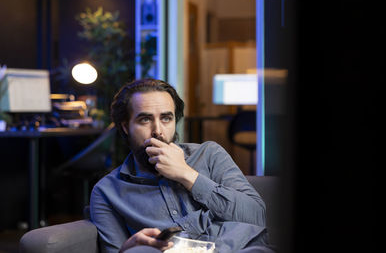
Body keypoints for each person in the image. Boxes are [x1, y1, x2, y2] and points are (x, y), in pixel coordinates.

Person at [90, 78, 274, 253]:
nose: (158, 131)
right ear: (125, 126)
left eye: (166, 118)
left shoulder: (209, 155)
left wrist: (186, 174)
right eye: (145, 120)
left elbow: (256, 216)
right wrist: (128, 247)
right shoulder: (107, 192)